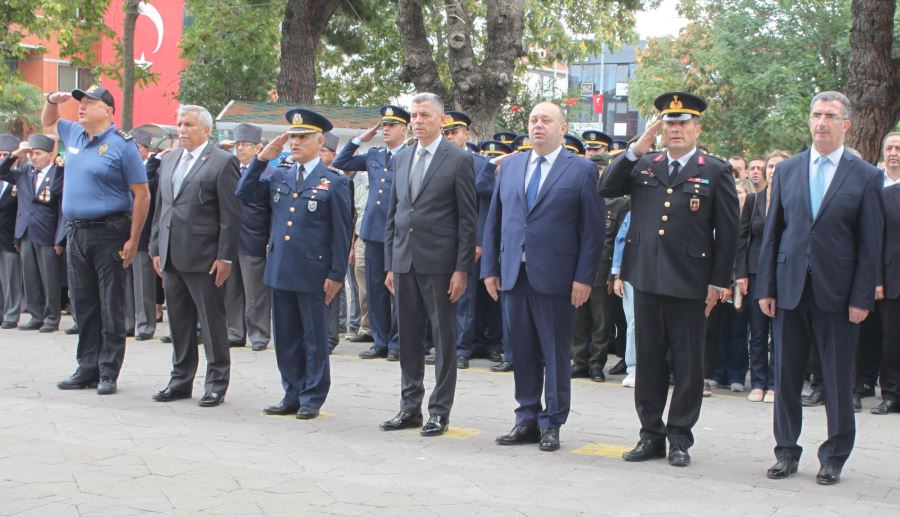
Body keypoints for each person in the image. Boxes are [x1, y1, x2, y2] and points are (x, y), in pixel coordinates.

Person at [598, 92, 739, 467]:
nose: (675, 129)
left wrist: (718, 282)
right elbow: (606, 188)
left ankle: (679, 436)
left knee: (688, 365)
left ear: (697, 127)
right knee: (648, 362)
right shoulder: (645, 163)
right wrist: (635, 147)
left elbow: (728, 233)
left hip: (691, 281)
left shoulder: (715, 170)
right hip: (645, 277)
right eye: (669, 123)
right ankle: (650, 434)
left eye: (683, 123)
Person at [758, 91, 883, 485]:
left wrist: (863, 296)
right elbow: (774, 235)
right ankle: (786, 451)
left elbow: (870, 243)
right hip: (790, 288)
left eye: (830, 115)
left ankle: (834, 455)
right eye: (815, 114)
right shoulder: (790, 170)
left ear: (846, 124)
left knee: (836, 378)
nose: (821, 122)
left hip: (839, 294)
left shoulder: (865, 175)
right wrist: (767, 287)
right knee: (787, 376)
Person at [482, 101, 605, 451]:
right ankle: (526, 418)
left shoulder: (580, 170)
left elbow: (592, 232)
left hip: (558, 277)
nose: (538, 125)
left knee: (554, 353)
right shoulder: (511, 166)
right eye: (534, 119)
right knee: (521, 350)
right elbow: (495, 221)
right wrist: (490, 268)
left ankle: (552, 422)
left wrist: (583, 278)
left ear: (562, 128)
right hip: (514, 275)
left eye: (546, 120)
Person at [236, 108, 352, 420]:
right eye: (292, 136)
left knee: (313, 338)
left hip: (314, 272)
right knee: (285, 337)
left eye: (302, 137)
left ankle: (312, 396)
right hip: (281, 268)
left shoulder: (333, 181)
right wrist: (263, 158)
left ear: (319, 141)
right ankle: (291, 392)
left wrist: (336, 274)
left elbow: (341, 233)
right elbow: (244, 192)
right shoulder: (279, 174)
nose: (294, 142)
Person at [42, 86, 150, 395]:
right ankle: (86, 366)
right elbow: (49, 121)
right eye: (80, 102)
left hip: (109, 231)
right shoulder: (74, 134)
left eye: (90, 103)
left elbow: (141, 194)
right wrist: (52, 101)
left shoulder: (122, 146)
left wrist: (133, 238)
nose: (82, 107)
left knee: (110, 304)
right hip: (76, 231)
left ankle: (107, 370)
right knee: (83, 303)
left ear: (108, 110)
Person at [380, 92, 476, 437]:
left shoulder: (457, 159)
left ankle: (439, 410)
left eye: (424, 115)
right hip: (405, 261)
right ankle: (410, 407)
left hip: (440, 264)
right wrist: (391, 263)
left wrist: (461, 269)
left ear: (441, 120)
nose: (417, 121)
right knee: (407, 338)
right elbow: (394, 213)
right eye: (414, 115)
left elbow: (467, 219)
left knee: (443, 338)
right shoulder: (403, 157)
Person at [149, 104, 241, 408]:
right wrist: (155, 247)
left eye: (188, 124)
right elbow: (161, 207)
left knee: (212, 322)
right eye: (179, 124)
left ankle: (216, 383)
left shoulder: (222, 161)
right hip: (172, 253)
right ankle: (180, 380)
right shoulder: (170, 159)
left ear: (206, 130)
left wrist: (225, 256)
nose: (182, 130)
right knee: (178, 322)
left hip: (205, 257)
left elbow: (230, 214)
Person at [334, 105, 410, 360]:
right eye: (383, 125)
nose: (385, 129)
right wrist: (359, 139)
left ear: (403, 128)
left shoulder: (410, 155)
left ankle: (399, 343)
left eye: (391, 125)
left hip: (399, 232)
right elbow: (341, 162)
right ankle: (381, 341)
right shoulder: (374, 154)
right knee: (375, 290)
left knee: (398, 289)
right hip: (373, 229)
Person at [441, 110, 499, 369]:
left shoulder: (479, 163)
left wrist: (478, 241)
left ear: (467, 134)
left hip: (467, 241)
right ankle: (445, 344)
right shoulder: (437, 161)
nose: (450, 136)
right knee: (443, 297)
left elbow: (482, 208)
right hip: (442, 240)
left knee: (465, 298)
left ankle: (462, 349)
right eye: (446, 133)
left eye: (455, 132)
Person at [736, 151, 790, 403]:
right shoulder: (754, 200)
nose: (771, 171)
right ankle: (757, 382)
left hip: (784, 273)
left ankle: (775, 384)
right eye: (770, 166)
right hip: (756, 272)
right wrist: (741, 274)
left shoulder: (793, 199)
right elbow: (742, 239)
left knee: (780, 332)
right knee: (757, 331)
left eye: (777, 167)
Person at [572, 153, 629, 382]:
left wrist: (614, 273)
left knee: (601, 322)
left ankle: (597, 364)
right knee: (579, 319)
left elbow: (619, 240)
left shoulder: (620, 202)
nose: (597, 173)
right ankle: (579, 362)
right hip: (578, 269)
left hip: (603, 269)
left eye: (601, 169)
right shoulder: (579, 198)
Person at [0, 134, 65, 332]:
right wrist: (15, 155)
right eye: (31, 154)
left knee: (49, 278)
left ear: (50, 154)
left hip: (47, 232)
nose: (33, 157)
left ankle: (51, 318)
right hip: (25, 231)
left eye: (38, 153)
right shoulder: (24, 172)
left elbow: (62, 209)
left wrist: (60, 238)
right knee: (30, 277)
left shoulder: (58, 172)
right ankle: (36, 315)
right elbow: (2, 172)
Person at [229, 123, 273, 352]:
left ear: (258, 148)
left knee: (255, 291)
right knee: (232, 289)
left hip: (255, 238)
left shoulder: (268, 174)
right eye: (238, 144)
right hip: (231, 239)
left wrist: (270, 240)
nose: (241, 149)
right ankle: (235, 331)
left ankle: (259, 334)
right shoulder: (231, 169)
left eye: (246, 145)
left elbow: (273, 212)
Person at [873, 131, 900, 415]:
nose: (894, 153)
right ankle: (891, 394)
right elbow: (876, 240)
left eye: (899, 148)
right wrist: (877, 278)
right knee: (891, 340)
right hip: (893, 278)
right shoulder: (885, 194)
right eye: (890, 148)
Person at [128, 128, 162, 341]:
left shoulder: (154, 169)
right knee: (126, 282)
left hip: (144, 231)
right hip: (123, 230)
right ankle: (127, 322)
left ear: (142, 149)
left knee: (143, 283)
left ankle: (145, 325)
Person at [0, 134, 23, 329]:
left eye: (6, 155)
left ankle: (11, 314)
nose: (2, 158)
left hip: (10, 237)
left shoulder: (20, 177)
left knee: (11, 278)